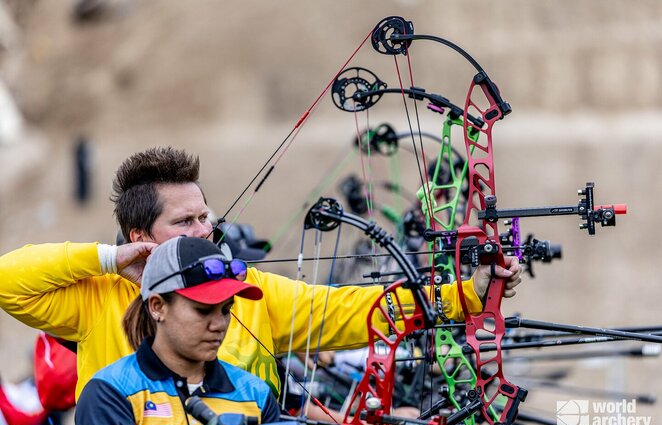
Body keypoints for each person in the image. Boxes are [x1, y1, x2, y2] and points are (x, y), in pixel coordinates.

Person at [0, 147, 522, 401]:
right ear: (140, 239)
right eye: (185, 221)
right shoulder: (96, 299)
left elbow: (350, 310)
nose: (207, 227)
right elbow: (7, 280)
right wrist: (108, 260)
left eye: (205, 214)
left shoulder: (248, 292)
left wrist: (463, 295)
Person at [75, 236, 279, 425]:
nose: (219, 325)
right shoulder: (110, 392)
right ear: (157, 306)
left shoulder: (256, 393)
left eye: (226, 310)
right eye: (203, 310)